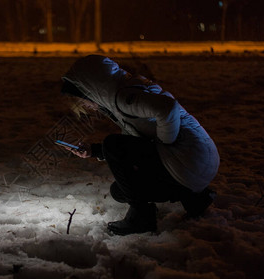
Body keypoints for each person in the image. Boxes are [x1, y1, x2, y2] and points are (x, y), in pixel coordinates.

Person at [61, 55, 220, 235]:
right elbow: (136, 142)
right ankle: (195, 198)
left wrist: (166, 142)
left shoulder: (123, 97)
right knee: (119, 191)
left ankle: (141, 218)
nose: (86, 107)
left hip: (188, 160)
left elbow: (168, 109)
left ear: (90, 88)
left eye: (82, 101)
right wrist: (93, 151)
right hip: (198, 161)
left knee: (113, 144)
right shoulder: (125, 92)